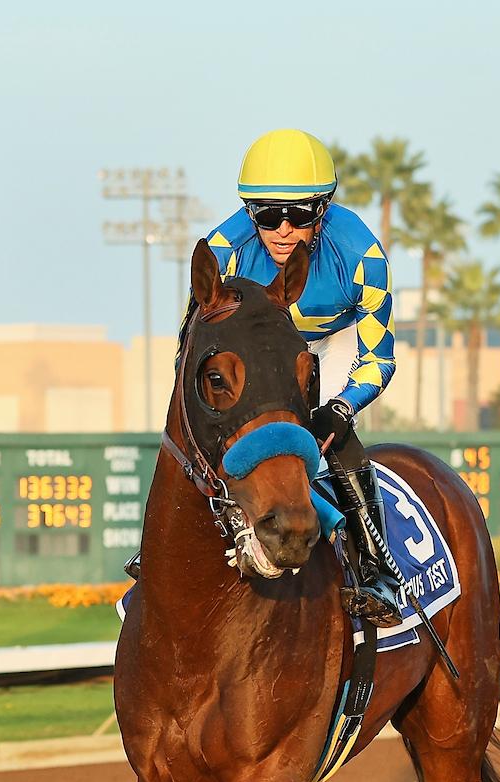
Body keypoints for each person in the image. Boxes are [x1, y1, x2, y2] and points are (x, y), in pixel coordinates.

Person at [202, 128, 403, 627]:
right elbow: (197, 348)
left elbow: (378, 358)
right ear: (249, 212)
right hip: (259, 347)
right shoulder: (223, 250)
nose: (283, 230)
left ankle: (376, 570)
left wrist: (340, 408)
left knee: (330, 435)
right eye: (268, 215)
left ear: (325, 209)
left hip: (333, 343)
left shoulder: (362, 256)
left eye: (300, 214)